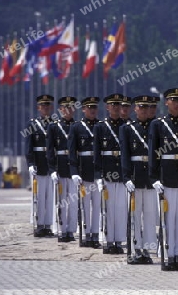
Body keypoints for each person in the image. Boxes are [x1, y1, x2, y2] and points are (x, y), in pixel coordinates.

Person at [149, 88, 178, 271]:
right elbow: (153, 152)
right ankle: (167, 255)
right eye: (173, 100)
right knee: (167, 219)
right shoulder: (158, 125)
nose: (177, 103)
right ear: (166, 102)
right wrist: (154, 177)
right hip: (166, 178)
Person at [120, 95, 157, 263]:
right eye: (141, 107)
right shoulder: (127, 129)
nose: (144, 110)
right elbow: (125, 155)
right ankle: (135, 250)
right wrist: (126, 177)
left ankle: (147, 249)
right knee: (134, 216)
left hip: (150, 179)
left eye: (147, 107)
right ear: (135, 109)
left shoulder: (155, 127)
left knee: (149, 216)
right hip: (134, 177)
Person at [94, 93, 126, 254]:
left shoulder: (126, 125)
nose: (115, 107)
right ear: (107, 107)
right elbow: (97, 153)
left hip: (121, 174)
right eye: (112, 104)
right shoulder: (100, 127)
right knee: (106, 209)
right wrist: (98, 175)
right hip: (107, 173)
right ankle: (107, 240)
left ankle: (118, 241)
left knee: (120, 209)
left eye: (117, 104)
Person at [68, 96, 101, 248]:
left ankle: (96, 234)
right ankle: (86, 234)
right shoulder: (76, 127)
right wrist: (74, 171)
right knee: (85, 205)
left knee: (98, 205)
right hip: (83, 170)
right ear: (84, 110)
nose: (93, 110)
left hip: (98, 171)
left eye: (94, 107)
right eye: (90, 108)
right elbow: (72, 151)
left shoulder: (101, 126)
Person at [47, 96, 78, 243]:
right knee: (60, 202)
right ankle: (61, 229)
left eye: (71, 108)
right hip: (60, 166)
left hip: (74, 169)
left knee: (73, 202)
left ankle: (71, 230)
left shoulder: (78, 126)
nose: (68, 111)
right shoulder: (54, 127)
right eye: (65, 108)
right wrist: (52, 169)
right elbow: (50, 150)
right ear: (60, 110)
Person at [25, 94, 55, 237]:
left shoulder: (55, 123)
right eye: (43, 106)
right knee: (37, 197)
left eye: (48, 105)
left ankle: (48, 225)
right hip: (38, 164)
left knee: (50, 198)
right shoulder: (32, 124)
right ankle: (38, 224)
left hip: (51, 165)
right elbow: (29, 146)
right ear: (38, 108)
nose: (45, 108)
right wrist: (30, 163)